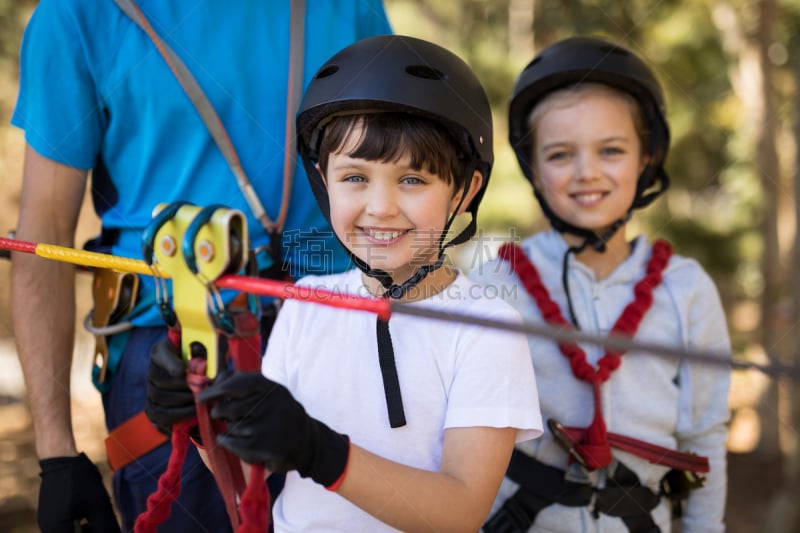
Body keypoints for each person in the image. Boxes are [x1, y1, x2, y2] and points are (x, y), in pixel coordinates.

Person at [10, 1, 391, 531]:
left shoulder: (349, 7)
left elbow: (398, 183)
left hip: (343, 337)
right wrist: (57, 455)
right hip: (172, 366)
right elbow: (44, 236)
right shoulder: (80, 14)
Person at [147, 34, 543, 532]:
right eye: (355, 177)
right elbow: (251, 469)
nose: (380, 206)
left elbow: (459, 513)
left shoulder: (489, 326)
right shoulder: (306, 303)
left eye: (413, 180)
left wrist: (322, 452)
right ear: (323, 179)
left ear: (465, 191)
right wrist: (201, 424)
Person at [471, 37, 731, 532]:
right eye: (561, 154)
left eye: (611, 150)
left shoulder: (686, 291)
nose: (587, 172)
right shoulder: (492, 283)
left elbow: (705, 437)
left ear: (646, 158)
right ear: (533, 169)